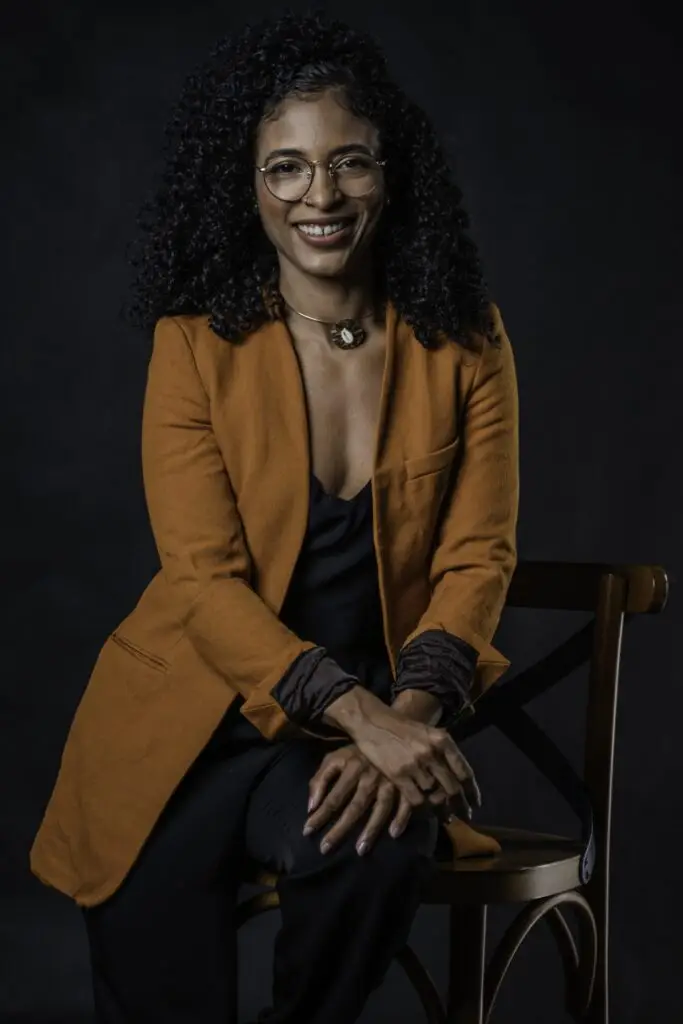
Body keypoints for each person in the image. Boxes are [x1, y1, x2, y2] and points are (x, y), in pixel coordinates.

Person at [30, 11, 519, 1024]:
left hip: (339, 741)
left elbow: (477, 556)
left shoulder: (466, 341)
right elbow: (202, 582)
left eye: (348, 163)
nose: (319, 196)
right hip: (185, 728)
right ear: (246, 187)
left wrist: (403, 725)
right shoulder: (192, 348)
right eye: (285, 168)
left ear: (389, 173)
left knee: (379, 842)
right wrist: (366, 718)